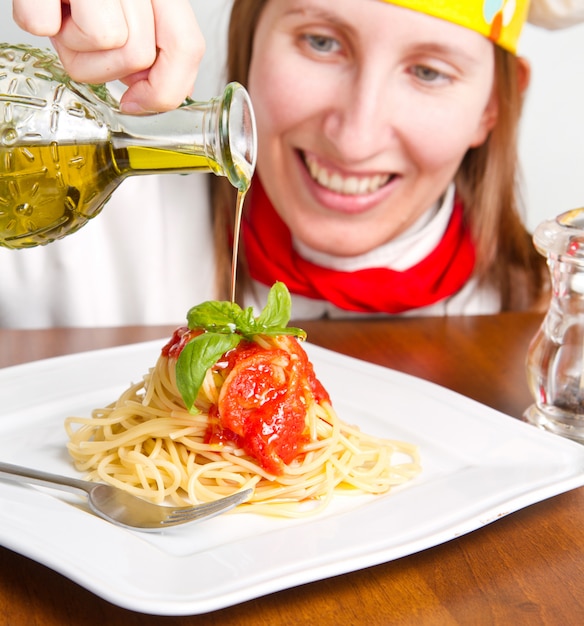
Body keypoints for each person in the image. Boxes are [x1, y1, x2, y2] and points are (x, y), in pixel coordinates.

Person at [4, 0, 584, 326]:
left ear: (494, 105)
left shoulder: (553, 317)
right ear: (247, 40)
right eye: (321, 42)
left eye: (428, 72)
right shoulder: (73, 198)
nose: (354, 138)